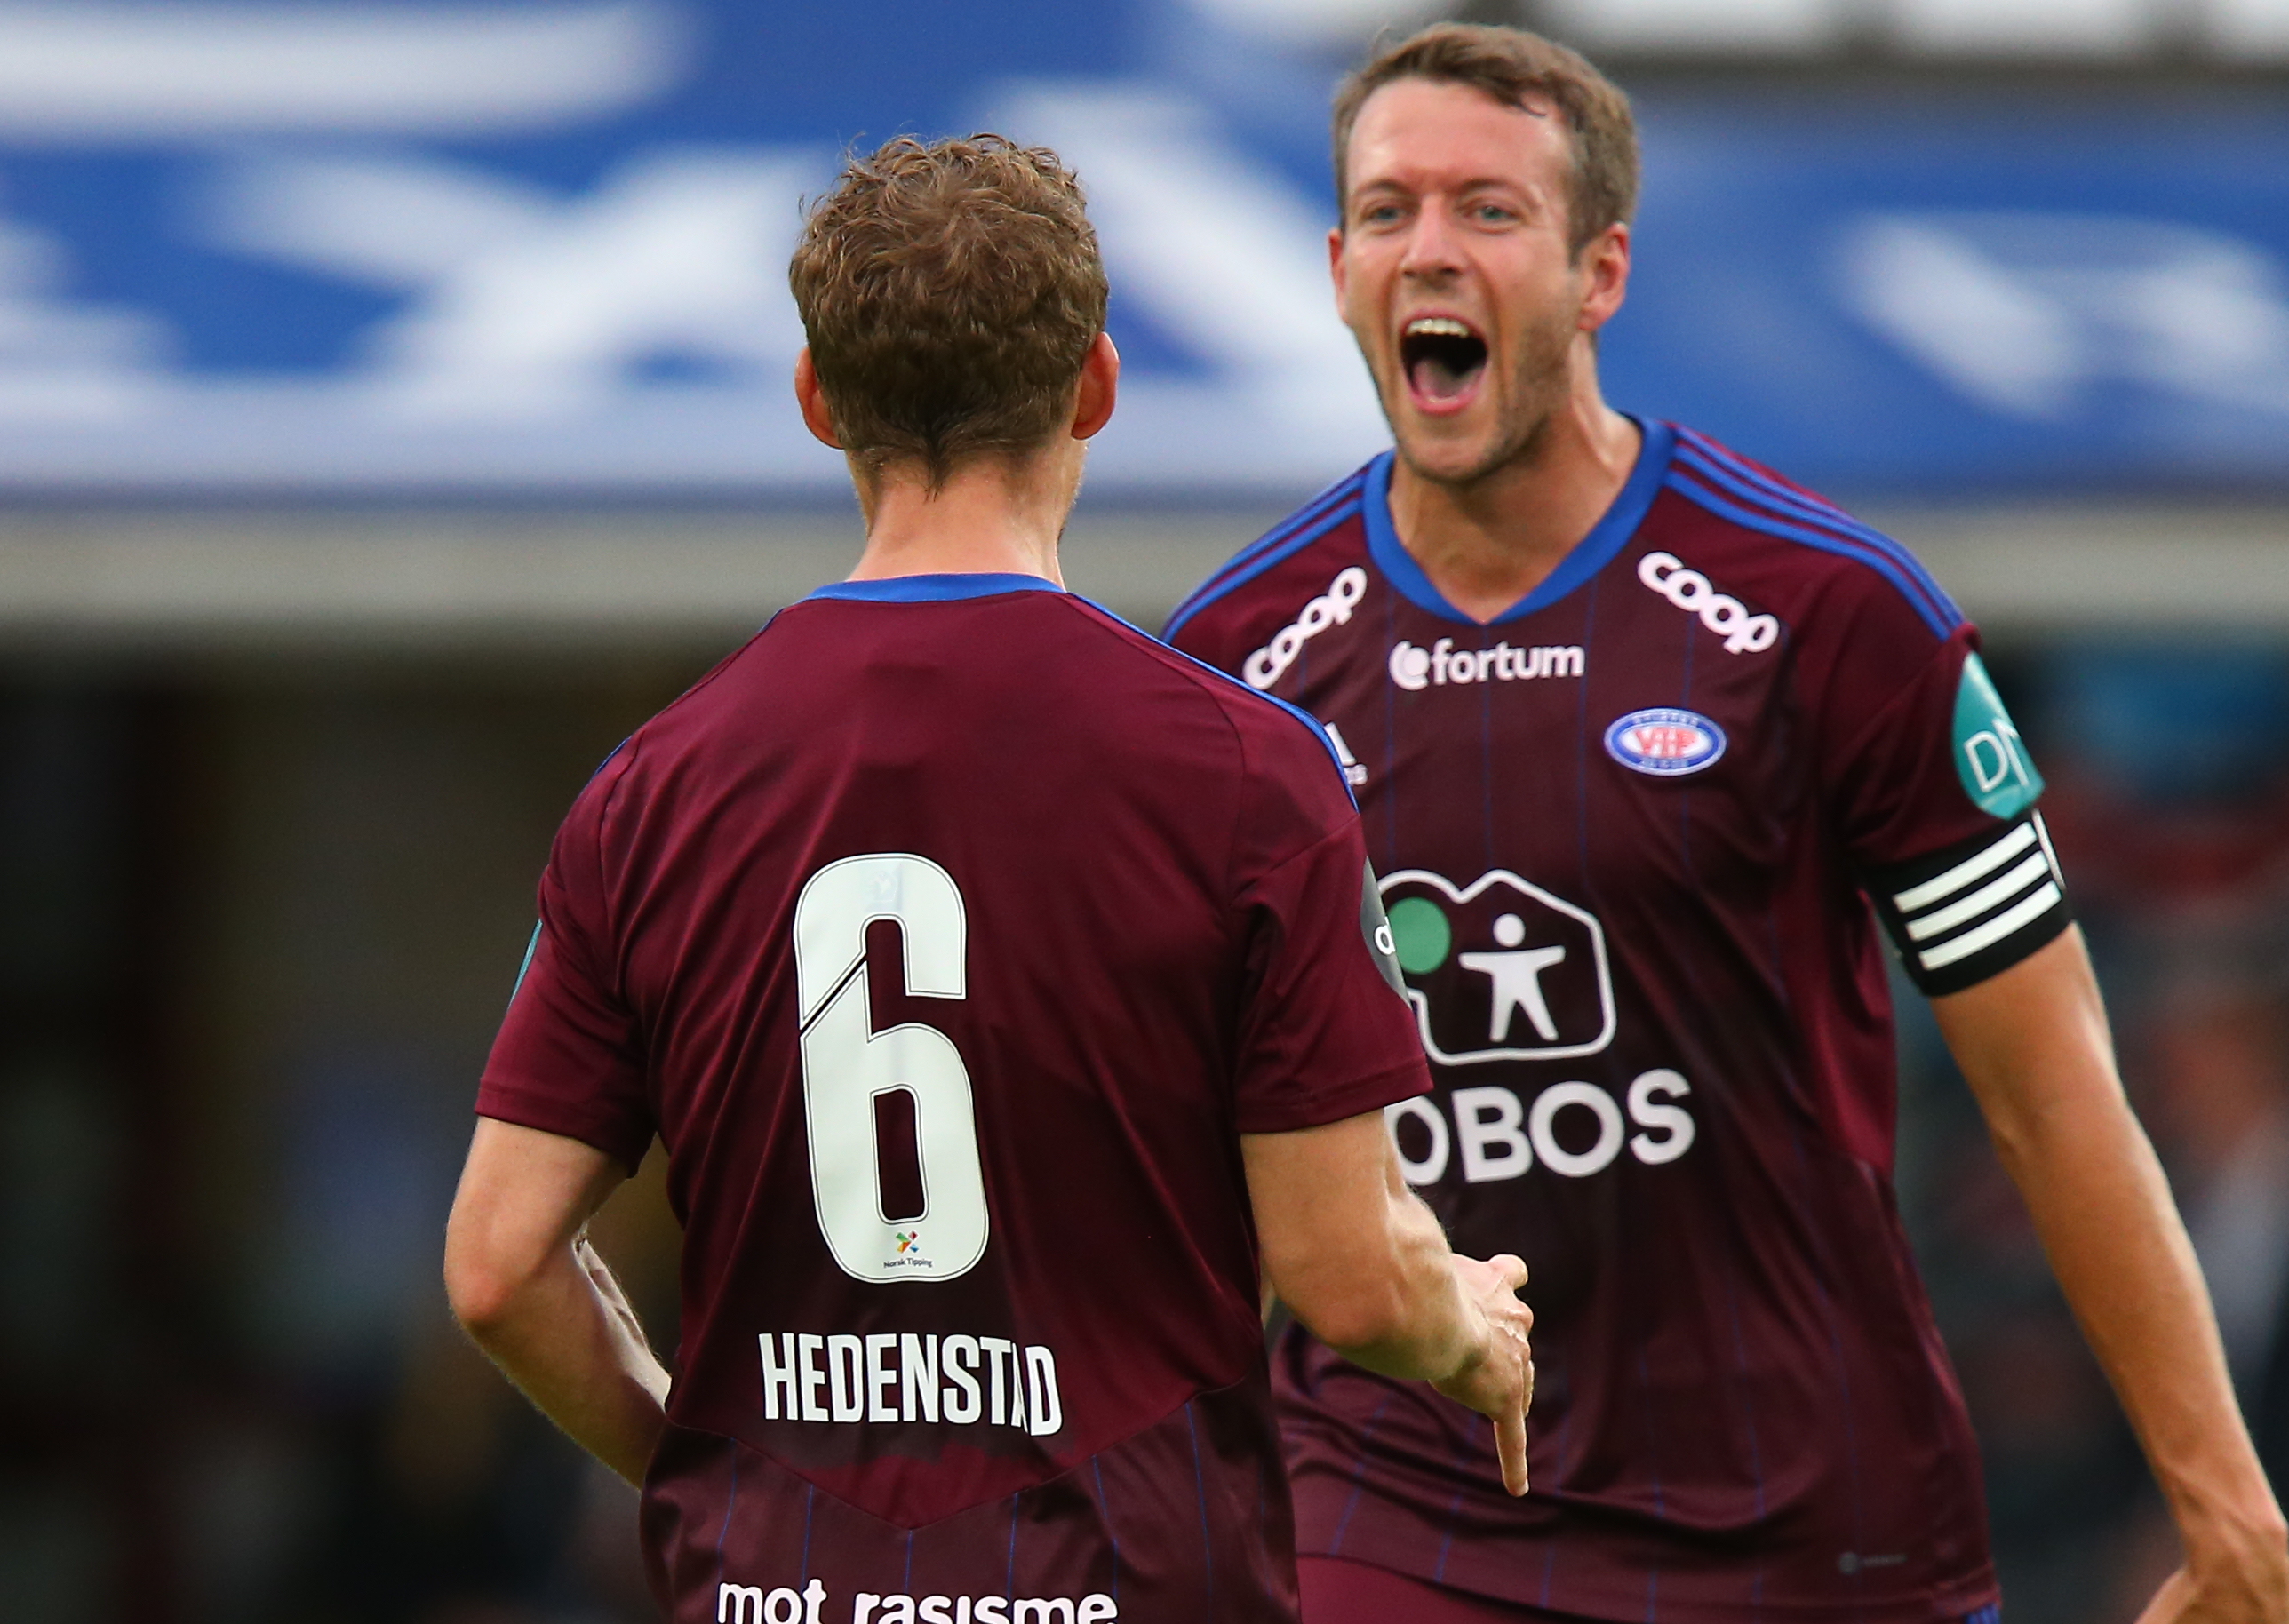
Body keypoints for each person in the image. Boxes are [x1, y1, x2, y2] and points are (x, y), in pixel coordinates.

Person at [1162, 25, 2289, 1624]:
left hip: (1813, 1517)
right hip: (1395, 1505)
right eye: (1388, 209)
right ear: (1337, 261)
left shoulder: (1832, 615)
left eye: (1488, 209)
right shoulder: (1234, 667)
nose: (1431, 247)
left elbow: (2054, 1087)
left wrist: (2222, 1498)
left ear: (1598, 270)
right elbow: (1167, 1152)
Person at [441, 134, 1535, 1624]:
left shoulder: (653, 788)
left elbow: (499, 1268)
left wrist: (709, 1475)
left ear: (819, 401)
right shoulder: (1250, 776)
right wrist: (1471, 1333)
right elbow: (1348, 1277)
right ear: (1095, 384)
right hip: (1133, 1585)